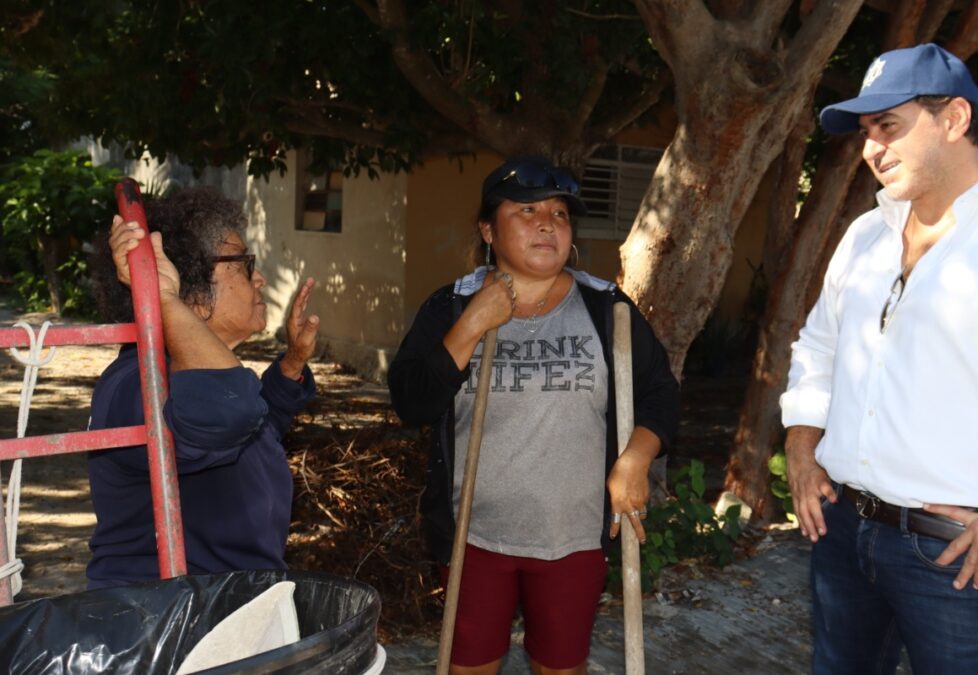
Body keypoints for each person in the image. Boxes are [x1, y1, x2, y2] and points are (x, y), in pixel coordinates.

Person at [781, 43, 978, 673]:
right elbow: (820, 344)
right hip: (841, 534)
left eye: (888, 126)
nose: (871, 148)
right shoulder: (867, 233)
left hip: (957, 559)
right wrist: (802, 448)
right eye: (865, 132)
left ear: (954, 120)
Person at [389, 156, 679, 675]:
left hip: (572, 539)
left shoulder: (605, 306)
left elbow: (660, 393)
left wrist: (635, 459)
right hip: (473, 536)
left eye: (559, 213)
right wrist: (474, 323)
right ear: (487, 228)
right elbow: (411, 402)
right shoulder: (451, 306)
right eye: (526, 210)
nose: (548, 222)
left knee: (559, 667)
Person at [87, 187, 320, 588]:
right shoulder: (135, 382)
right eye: (244, 265)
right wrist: (160, 295)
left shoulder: (195, 374)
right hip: (168, 628)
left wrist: (292, 363)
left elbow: (255, 429)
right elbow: (228, 414)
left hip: (224, 612)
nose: (260, 278)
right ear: (191, 290)